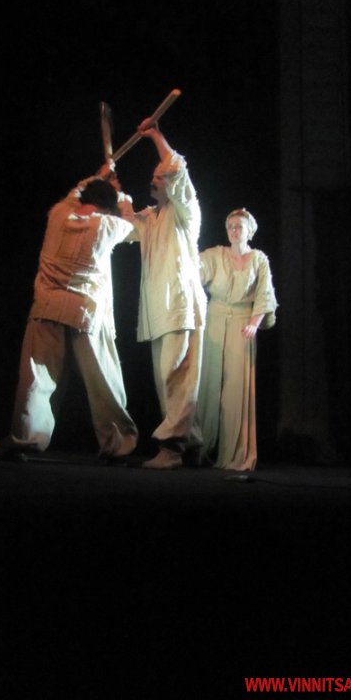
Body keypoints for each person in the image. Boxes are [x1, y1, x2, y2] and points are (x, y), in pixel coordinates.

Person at [0, 164, 138, 461]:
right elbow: (131, 221)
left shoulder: (58, 215)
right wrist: (121, 194)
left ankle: (25, 438)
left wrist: (99, 176)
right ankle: (118, 444)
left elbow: (74, 194)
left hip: (47, 308)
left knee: (36, 380)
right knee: (104, 382)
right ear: (107, 207)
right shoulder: (106, 225)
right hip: (84, 312)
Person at [125, 121, 207, 469]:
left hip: (179, 303)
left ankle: (173, 448)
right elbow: (123, 224)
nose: (155, 179)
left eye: (160, 177)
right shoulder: (150, 219)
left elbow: (176, 169)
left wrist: (156, 136)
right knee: (169, 380)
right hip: (160, 309)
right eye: (154, 176)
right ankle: (193, 445)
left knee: (175, 375)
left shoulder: (185, 211)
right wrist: (113, 190)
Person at [197, 208, 278, 471]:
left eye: (239, 226)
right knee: (208, 383)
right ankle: (201, 448)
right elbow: (194, 268)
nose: (234, 230)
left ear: (249, 231)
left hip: (243, 323)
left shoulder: (259, 259)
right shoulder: (216, 255)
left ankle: (234, 454)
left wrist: (254, 323)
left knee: (236, 389)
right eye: (230, 226)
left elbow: (265, 295)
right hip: (215, 320)